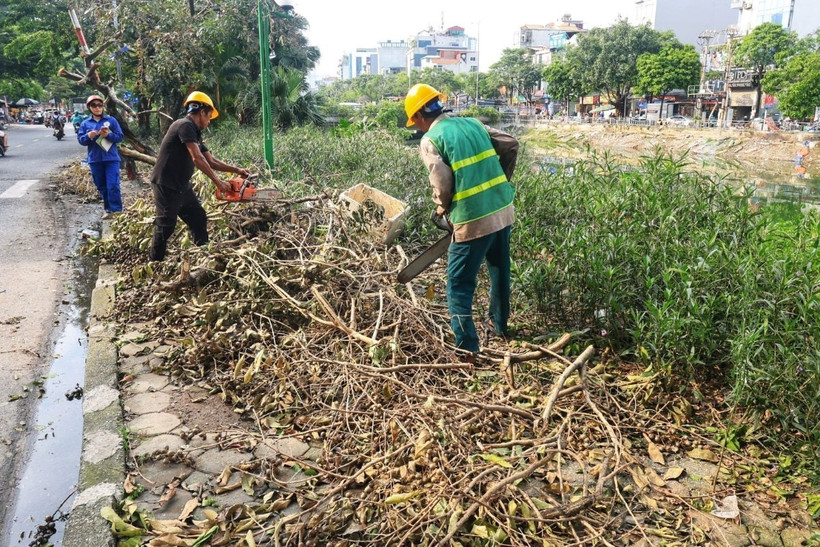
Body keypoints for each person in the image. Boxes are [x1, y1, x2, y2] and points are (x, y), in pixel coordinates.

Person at [404, 83, 519, 360]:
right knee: (499, 271)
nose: (416, 126)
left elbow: (442, 183)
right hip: (502, 209)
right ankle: (500, 326)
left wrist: (443, 207)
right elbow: (511, 144)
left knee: (458, 283)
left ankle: (467, 347)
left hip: (472, 219)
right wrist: (501, 180)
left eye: (414, 121)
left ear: (419, 116)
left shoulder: (430, 140)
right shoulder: (474, 124)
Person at [148, 91, 249, 262]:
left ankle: (203, 256)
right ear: (202, 112)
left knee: (198, 218)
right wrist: (218, 182)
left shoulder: (194, 132)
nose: (209, 122)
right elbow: (197, 158)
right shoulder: (184, 125)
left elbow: (211, 160)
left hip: (182, 186)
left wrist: (237, 170)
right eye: (209, 117)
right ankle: (154, 262)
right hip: (166, 185)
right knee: (165, 226)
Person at [77, 95, 124, 219]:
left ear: (103, 106)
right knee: (101, 186)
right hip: (95, 159)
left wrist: (108, 135)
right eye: (94, 105)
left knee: (113, 185)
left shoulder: (111, 120)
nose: (97, 108)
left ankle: (117, 210)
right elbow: (81, 140)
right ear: (89, 108)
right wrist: (89, 136)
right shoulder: (85, 123)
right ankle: (108, 210)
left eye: (99, 105)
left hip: (111, 158)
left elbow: (119, 137)